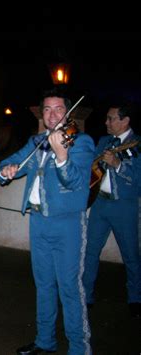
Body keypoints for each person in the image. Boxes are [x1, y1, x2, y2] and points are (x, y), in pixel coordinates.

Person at [0, 87, 94, 355]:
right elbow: (11, 161)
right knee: (43, 286)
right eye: (48, 109)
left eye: (59, 108)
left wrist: (62, 156)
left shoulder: (82, 142)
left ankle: (79, 348)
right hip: (38, 222)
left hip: (68, 224)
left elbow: (76, 181)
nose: (52, 114)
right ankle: (45, 341)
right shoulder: (35, 142)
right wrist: (6, 170)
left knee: (70, 289)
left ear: (68, 112)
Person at [83, 101, 141, 319]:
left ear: (125, 121)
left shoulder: (137, 145)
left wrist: (118, 164)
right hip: (99, 204)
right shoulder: (104, 141)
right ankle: (86, 295)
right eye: (107, 118)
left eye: (111, 118)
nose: (106, 122)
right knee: (89, 251)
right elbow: (91, 166)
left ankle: (135, 298)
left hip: (124, 207)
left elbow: (139, 180)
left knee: (131, 255)